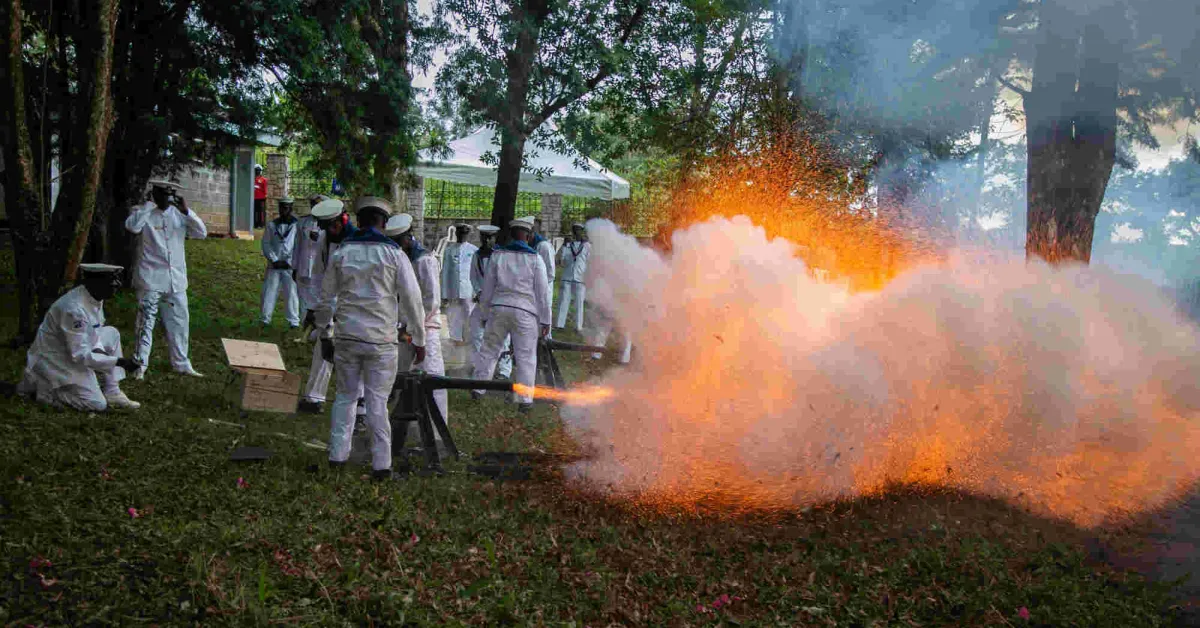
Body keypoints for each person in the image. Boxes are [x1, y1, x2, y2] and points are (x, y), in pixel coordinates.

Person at [314, 197, 426, 479]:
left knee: (345, 397)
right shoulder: (395, 254)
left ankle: (337, 456)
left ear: (359, 221)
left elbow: (325, 298)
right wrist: (420, 339)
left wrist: (325, 333)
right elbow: (413, 301)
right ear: (384, 224)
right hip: (380, 341)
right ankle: (382, 465)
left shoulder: (342, 253)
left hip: (347, 337)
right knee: (376, 402)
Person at [17, 264, 143, 412]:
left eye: (116, 279)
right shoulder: (73, 309)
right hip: (56, 360)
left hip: (71, 350)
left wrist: (101, 354)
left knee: (111, 333)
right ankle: (45, 390)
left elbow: (93, 333)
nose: (117, 284)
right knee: (97, 404)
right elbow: (79, 355)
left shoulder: (93, 297)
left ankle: (112, 391)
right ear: (93, 282)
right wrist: (119, 362)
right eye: (111, 280)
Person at [125, 179, 207, 379]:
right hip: (151, 278)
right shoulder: (142, 212)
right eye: (162, 195)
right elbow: (132, 227)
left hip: (176, 279)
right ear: (154, 194)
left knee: (179, 322)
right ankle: (139, 365)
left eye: (170, 195)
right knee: (145, 323)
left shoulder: (179, 214)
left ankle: (181, 362)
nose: (167, 199)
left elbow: (201, 233)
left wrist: (187, 211)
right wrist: (148, 206)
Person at [470, 217, 551, 412]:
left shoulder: (498, 255)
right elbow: (542, 293)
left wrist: (483, 312)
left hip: (499, 308)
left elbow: (487, 288)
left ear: (512, 234)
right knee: (525, 356)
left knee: (489, 349)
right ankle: (524, 400)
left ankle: (478, 389)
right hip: (525, 312)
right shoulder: (535, 258)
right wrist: (546, 320)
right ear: (529, 235)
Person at [298, 198, 363, 416]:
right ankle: (314, 398)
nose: (328, 230)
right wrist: (313, 309)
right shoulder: (325, 240)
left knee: (355, 356)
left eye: (331, 225)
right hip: (329, 304)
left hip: (354, 307)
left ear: (341, 221)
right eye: (326, 227)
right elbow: (318, 275)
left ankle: (361, 406)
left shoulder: (358, 242)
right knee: (323, 349)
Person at [387, 214, 448, 425]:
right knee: (403, 375)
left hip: (425, 326)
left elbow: (431, 300)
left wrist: (415, 325)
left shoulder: (425, 260)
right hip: (403, 327)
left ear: (407, 238)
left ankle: (436, 428)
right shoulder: (398, 258)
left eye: (398, 242)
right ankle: (403, 425)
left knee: (431, 376)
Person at [468, 225, 513, 379]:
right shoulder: (477, 255)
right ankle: (480, 365)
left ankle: (504, 370)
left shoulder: (501, 255)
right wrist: (478, 291)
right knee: (477, 333)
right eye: (484, 238)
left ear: (494, 238)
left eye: (490, 238)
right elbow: (473, 276)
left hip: (498, 300)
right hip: (482, 301)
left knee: (502, 335)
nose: (487, 241)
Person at [260, 196, 300, 327]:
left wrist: (289, 261)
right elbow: (266, 243)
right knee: (269, 291)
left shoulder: (297, 226)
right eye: (281, 208)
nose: (283, 210)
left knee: (291, 293)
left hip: (290, 265)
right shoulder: (272, 225)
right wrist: (274, 259)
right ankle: (265, 319)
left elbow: (298, 245)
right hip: (274, 265)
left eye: (286, 208)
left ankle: (293, 321)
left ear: (291, 209)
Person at [440, 224, 477, 344]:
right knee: (454, 313)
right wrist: (444, 293)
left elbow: (476, 272)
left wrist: (477, 291)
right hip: (453, 287)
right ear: (456, 234)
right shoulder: (449, 250)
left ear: (468, 235)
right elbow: (445, 271)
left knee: (470, 312)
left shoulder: (473, 250)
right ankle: (456, 338)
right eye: (460, 234)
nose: (462, 236)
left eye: (464, 234)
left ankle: (470, 336)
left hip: (469, 288)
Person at [293, 194, 329, 314]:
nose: (314, 207)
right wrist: (294, 267)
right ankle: (304, 323)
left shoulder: (329, 224)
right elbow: (296, 246)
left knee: (320, 297)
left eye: (317, 205)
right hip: (303, 266)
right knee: (302, 296)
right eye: (312, 204)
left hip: (319, 268)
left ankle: (319, 326)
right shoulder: (303, 222)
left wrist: (319, 238)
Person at [555, 223, 591, 332]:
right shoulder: (568, 245)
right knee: (563, 301)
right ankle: (560, 325)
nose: (576, 232)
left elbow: (590, 262)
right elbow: (562, 261)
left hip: (580, 278)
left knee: (579, 303)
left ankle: (578, 326)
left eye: (579, 230)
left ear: (582, 231)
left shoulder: (587, 246)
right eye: (574, 230)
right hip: (568, 276)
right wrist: (565, 246)